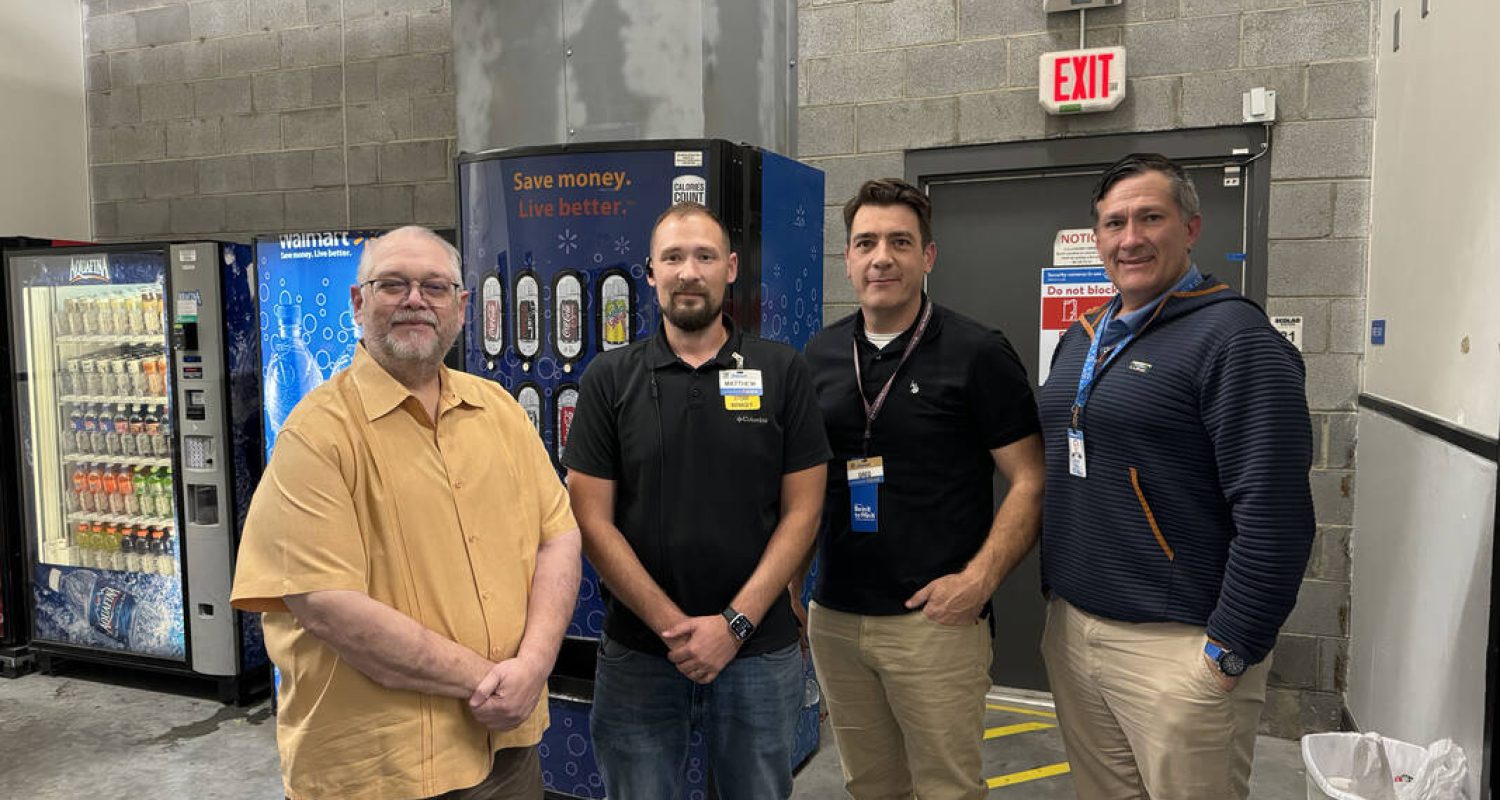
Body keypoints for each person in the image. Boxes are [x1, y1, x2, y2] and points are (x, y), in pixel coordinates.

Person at [231, 226, 581, 800]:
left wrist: (534, 666)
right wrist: (490, 683)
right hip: (382, 770)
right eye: (392, 284)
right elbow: (325, 603)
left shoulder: (499, 412)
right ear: (358, 302)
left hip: (508, 753)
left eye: (435, 287)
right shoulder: (316, 436)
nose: (416, 300)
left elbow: (558, 538)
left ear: (462, 308)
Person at [1038, 153, 1315, 800]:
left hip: (1179, 647)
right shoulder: (1084, 336)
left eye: (1149, 218)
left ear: (1190, 228)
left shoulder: (1236, 340)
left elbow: (1275, 514)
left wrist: (1229, 651)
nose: (1130, 238)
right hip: (1076, 631)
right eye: (1114, 224)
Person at [562, 202, 831, 800]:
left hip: (759, 653)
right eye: (674, 258)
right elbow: (591, 519)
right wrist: (673, 628)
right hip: (640, 655)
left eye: (705, 256)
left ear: (730, 268)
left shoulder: (782, 370)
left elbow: (804, 512)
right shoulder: (609, 378)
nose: (690, 271)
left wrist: (733, 627)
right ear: (651, 273)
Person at [802, 178, 1046, 800]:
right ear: (849, 258)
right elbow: (800, 482)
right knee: (871, 786)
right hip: (837, 619)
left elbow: (1030, 479)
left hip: (934, 623)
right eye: (866, 243)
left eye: (899, 241)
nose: (881, 256)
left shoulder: (977, 352)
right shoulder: (819, 354)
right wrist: (790, 594)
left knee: (948, 790)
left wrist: (979, 582)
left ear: (928, 256)